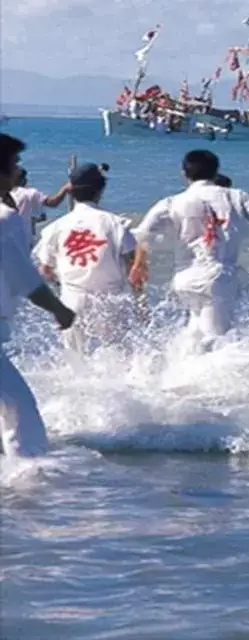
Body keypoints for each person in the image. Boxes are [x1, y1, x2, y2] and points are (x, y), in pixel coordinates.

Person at [131, 149, 249, 345]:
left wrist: (139, 264)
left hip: (185, 278)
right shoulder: (236, 197)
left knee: (194, 332)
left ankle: (177, 369)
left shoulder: (171, 202)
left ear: (184, 174)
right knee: (218, 340)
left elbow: (143, 234)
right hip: (218, 278)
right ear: (216, 172)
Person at [0, 133, 77, 458]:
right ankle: (30, 485)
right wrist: (60, 310)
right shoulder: (3, 220)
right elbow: (26, 279)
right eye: (14, 164)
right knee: (20, 412)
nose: (18, 172)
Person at [33, 164, 139, 353]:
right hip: (110, 302)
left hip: (72, 301)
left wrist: (61, 280)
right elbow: (135, 265)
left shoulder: (56, 227)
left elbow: (45, 270)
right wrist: (141, 301)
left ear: (71, 192)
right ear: (101, 190)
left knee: (76, 362)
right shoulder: (116, 223)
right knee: (118, 357)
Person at [10, 167, 71, 246]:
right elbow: (53, 203)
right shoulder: (30, 193)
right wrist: (65, 189)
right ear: (22, 180)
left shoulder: (3, 194)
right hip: (24, 242)